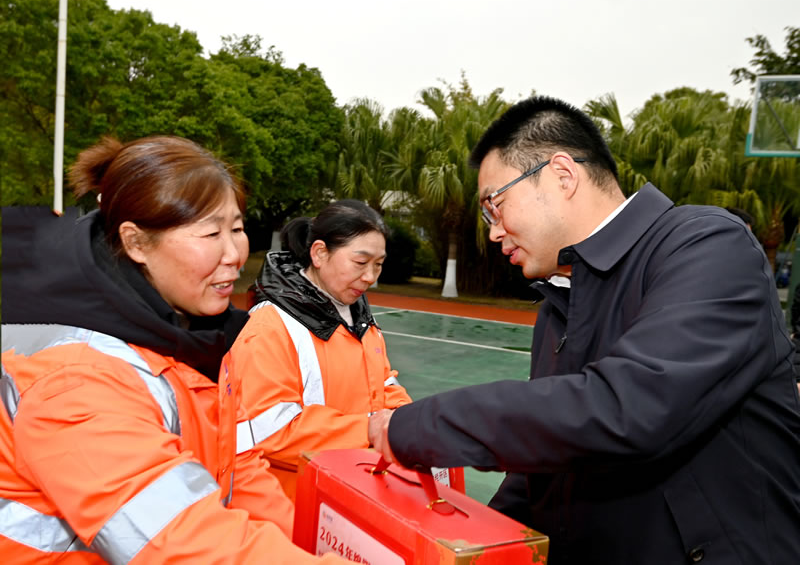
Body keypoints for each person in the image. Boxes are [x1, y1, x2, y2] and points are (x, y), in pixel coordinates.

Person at [368, 97, 800, 564]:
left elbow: (628, 407)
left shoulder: (706, 244)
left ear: (562, 175)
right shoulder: (558, 304)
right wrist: (477, 547)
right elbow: (544, 463)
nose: (493, 232)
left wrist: (420, 426)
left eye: (495, 205)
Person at [1, 136, 344, 564]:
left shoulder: (191, 335)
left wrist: (312, 547)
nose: (234, 254)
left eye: (236, 228)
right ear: (137, 243)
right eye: (211, 233)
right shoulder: (76, 378)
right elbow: (180, 543)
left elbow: (235, 474)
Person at [229, 199, 412, 501]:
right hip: (290, 505)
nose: (370, 277)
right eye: (360, 262)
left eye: (378, 265)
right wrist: (370, 429)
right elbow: (271, 431)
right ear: (319, 253)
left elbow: (383, 385)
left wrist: (408, 418)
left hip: (348, 492)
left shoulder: (361, 318)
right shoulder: (270, 325)